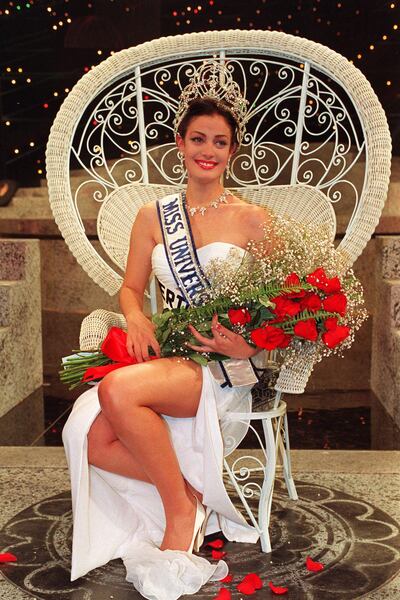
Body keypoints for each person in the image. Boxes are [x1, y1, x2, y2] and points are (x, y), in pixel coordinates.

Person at [62, 60, 269, 600]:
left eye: (220, 142)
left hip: (222, 365)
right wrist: (134, 316)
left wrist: (247, 343)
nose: (208, 149)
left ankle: (180, 513)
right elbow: (131, 288)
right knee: (91, 437)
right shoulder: (153, 216)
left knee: (114, 391)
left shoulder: (254, 219)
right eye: (198, 138)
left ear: (231, 151)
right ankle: (191, 493)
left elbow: (285, 309)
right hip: (169, 357)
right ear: (179, 142)